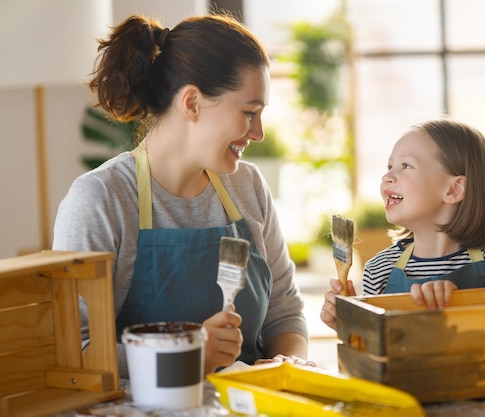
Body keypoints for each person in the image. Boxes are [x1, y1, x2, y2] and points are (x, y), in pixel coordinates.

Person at [52, 13, 310, 376]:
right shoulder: (100, 199)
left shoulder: (247, 186)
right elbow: (75, 349)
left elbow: (284, 313)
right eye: (249, 112)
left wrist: (288, 363)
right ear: (191, 103)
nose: (259, 132)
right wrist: (184, 354)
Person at [321, 118, 485, 331]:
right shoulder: (378, 270)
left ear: (454, 189)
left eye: (406, 166)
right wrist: (352, 324)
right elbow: (374, 353)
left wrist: (459, 302)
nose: (386, 176)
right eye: (389, 166)